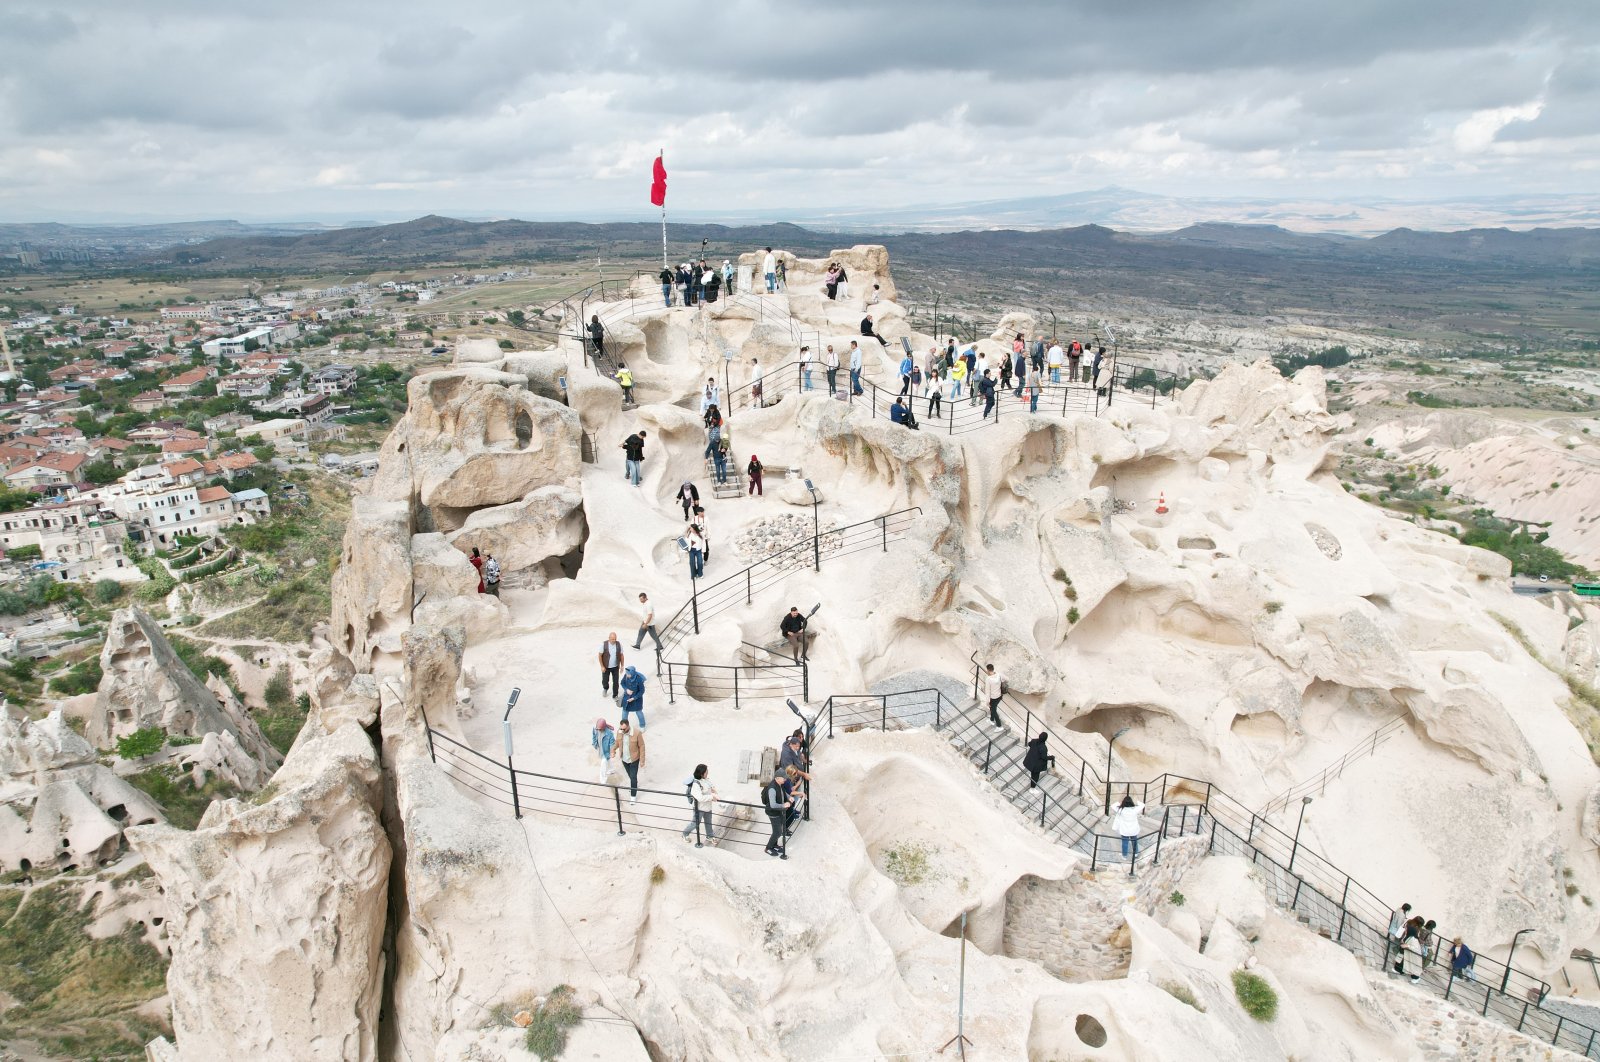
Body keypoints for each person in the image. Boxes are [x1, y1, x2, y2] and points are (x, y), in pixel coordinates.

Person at [683, 764, 717, 846]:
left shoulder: (706, 780)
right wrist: (712, 797)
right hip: (699, 808)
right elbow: (700, 798)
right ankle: (685, 834)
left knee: (708, 822)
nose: (707, 773)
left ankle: (710, 836)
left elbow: (711, 787)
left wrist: (714, 791)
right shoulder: (696, 784)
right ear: (701, 773)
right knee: (695, 823)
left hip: (708, 806)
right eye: (706, 772)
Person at [762, 769, 790, 856]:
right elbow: (773, 805)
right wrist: (783, 805)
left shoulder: (779, 784)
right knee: (777, 832)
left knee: (778, 830)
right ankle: (768, 848)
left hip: (779, 812)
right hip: (773, 813)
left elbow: (783, 793)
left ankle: (775, 845)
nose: (785, 779)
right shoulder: (772, 789)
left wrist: (789, 797)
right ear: (777, 778)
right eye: (783, 778)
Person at [616, 718, 645, 803]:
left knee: (633, 777)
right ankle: (634, 785)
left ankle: (633, 796)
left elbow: (642, 746)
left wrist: (642, 760)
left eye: (624, 729)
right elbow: (617, 742)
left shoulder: (637, 733)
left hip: (634, 759)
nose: (622, 730)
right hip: (624, 759)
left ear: (628, 726)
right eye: (621, 728)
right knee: (631, 776)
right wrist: (613, 750)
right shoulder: (620, 731)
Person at [1115, 794, 1145, 861]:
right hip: (1133, 829)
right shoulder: (1135, 809)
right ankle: (1136, 853)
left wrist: (1119, 803)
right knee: (1134, 841)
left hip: (1125, 830)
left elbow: (1113, 806)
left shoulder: (1120, 810)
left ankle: (1124, 856)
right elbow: (1143, 805)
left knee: (1125, 843)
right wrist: (1137, 801)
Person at [619, 664, 647, 730]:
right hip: (627, 699)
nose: (627, 675)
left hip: (636, 700)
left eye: (629, 674)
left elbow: (642, 691)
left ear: (632, 673)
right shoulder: (626, 676)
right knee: (624, 714)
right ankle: (624, 727)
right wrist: (626, 689)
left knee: (639, 713)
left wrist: (634, 698)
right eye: (626, 674)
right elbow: (622, 683)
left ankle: (642, 726)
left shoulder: (639, 679)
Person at [598, 632, 625, 699]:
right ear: (609, 638)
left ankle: (615, 695)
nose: (614, 640)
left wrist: (622, 666)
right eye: (612, 639)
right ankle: (605, 688)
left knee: (616, 682)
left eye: (615, 639)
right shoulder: (604, 644)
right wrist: (602, 666)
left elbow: (621, 655)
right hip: (606, 667)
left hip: (615, 667)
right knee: (605, 680)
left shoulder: (619, 644)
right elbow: (600, 655)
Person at [591, 717, 615, 784]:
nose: (599, 730)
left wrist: (612, 752)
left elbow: (612, 743)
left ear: (604, 727)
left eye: (600, 729)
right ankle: (611, 770)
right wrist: (594, 743)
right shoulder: (595, 729)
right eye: (598, 729)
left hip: (606, 752)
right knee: (608, 760)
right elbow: (594, 736)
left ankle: (603, 780)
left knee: (603, 765)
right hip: (600, 749)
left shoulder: (609, 733)